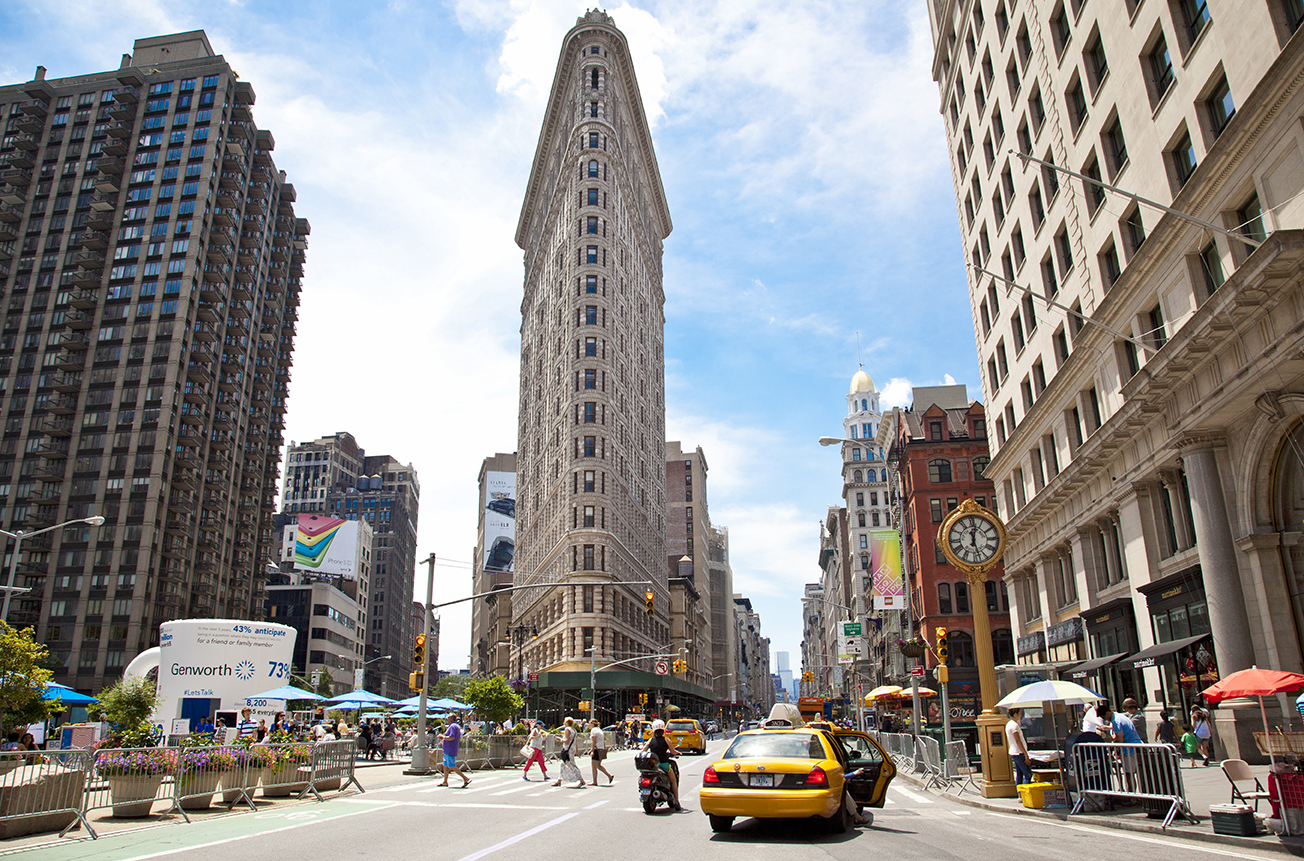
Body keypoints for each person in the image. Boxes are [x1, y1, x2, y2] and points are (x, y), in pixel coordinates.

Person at [643, 720, 681, 810]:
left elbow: (643, 751)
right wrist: (677, 752)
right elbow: (672, 751)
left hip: (653, 766)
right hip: (664, 765)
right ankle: (676, 801)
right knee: (673, 781)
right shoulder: (666, 740)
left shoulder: (650, 740)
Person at [1110, 704, 1143, 792]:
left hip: (1129, 749)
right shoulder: (1120, 717)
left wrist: (1112, 747)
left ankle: (1132, 795)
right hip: (1130, 748)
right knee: (1130, 774)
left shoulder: (1116, 720)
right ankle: (1130, 793)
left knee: (1129, 774)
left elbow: (1120, 738)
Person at [438, 716, 471, 788]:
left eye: (448, 718)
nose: (447, 719)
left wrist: (443, 737)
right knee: (445, 765)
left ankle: (465, 778)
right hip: (447, 749)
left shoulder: (453, 726)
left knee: (451, 766)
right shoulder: (455, 726)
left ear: (452, 719)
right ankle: (445, 781)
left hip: (450, 749)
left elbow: (452, 737)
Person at [552, 716, 585, 788]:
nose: (563, 723)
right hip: (572, 749)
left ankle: (581, 780)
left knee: (571, 765)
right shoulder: (574, 730)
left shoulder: (567, 729)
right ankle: (559, 781)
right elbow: (575, 741)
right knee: (563, 764)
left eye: (564, 722)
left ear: (567, 723)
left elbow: (566, 741)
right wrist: (576, 751)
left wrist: (560, 739)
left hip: (567, 749)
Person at [1006, 707, 1033, 786]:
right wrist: (1025, 753)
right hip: (1019, 752)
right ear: (1015, 714)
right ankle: (1025, 790)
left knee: (1019, 774)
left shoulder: (1009, 724)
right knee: (1028, 774)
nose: (1021, 716)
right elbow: (1018, 740)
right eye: (1020, 714)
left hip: (1014, 752)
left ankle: (1019, 791)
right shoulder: (1014, 726)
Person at [589, 719, 613, 785]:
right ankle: (609, 776)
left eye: (590, 723)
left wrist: (592, 750)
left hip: (597, 749)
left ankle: (595, 781)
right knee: (598, 765)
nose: (589, 725)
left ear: (593, 724)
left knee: (594, 766)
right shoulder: (599, 729)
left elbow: (594, 741)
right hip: (601, 748)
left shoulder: (593, 730)